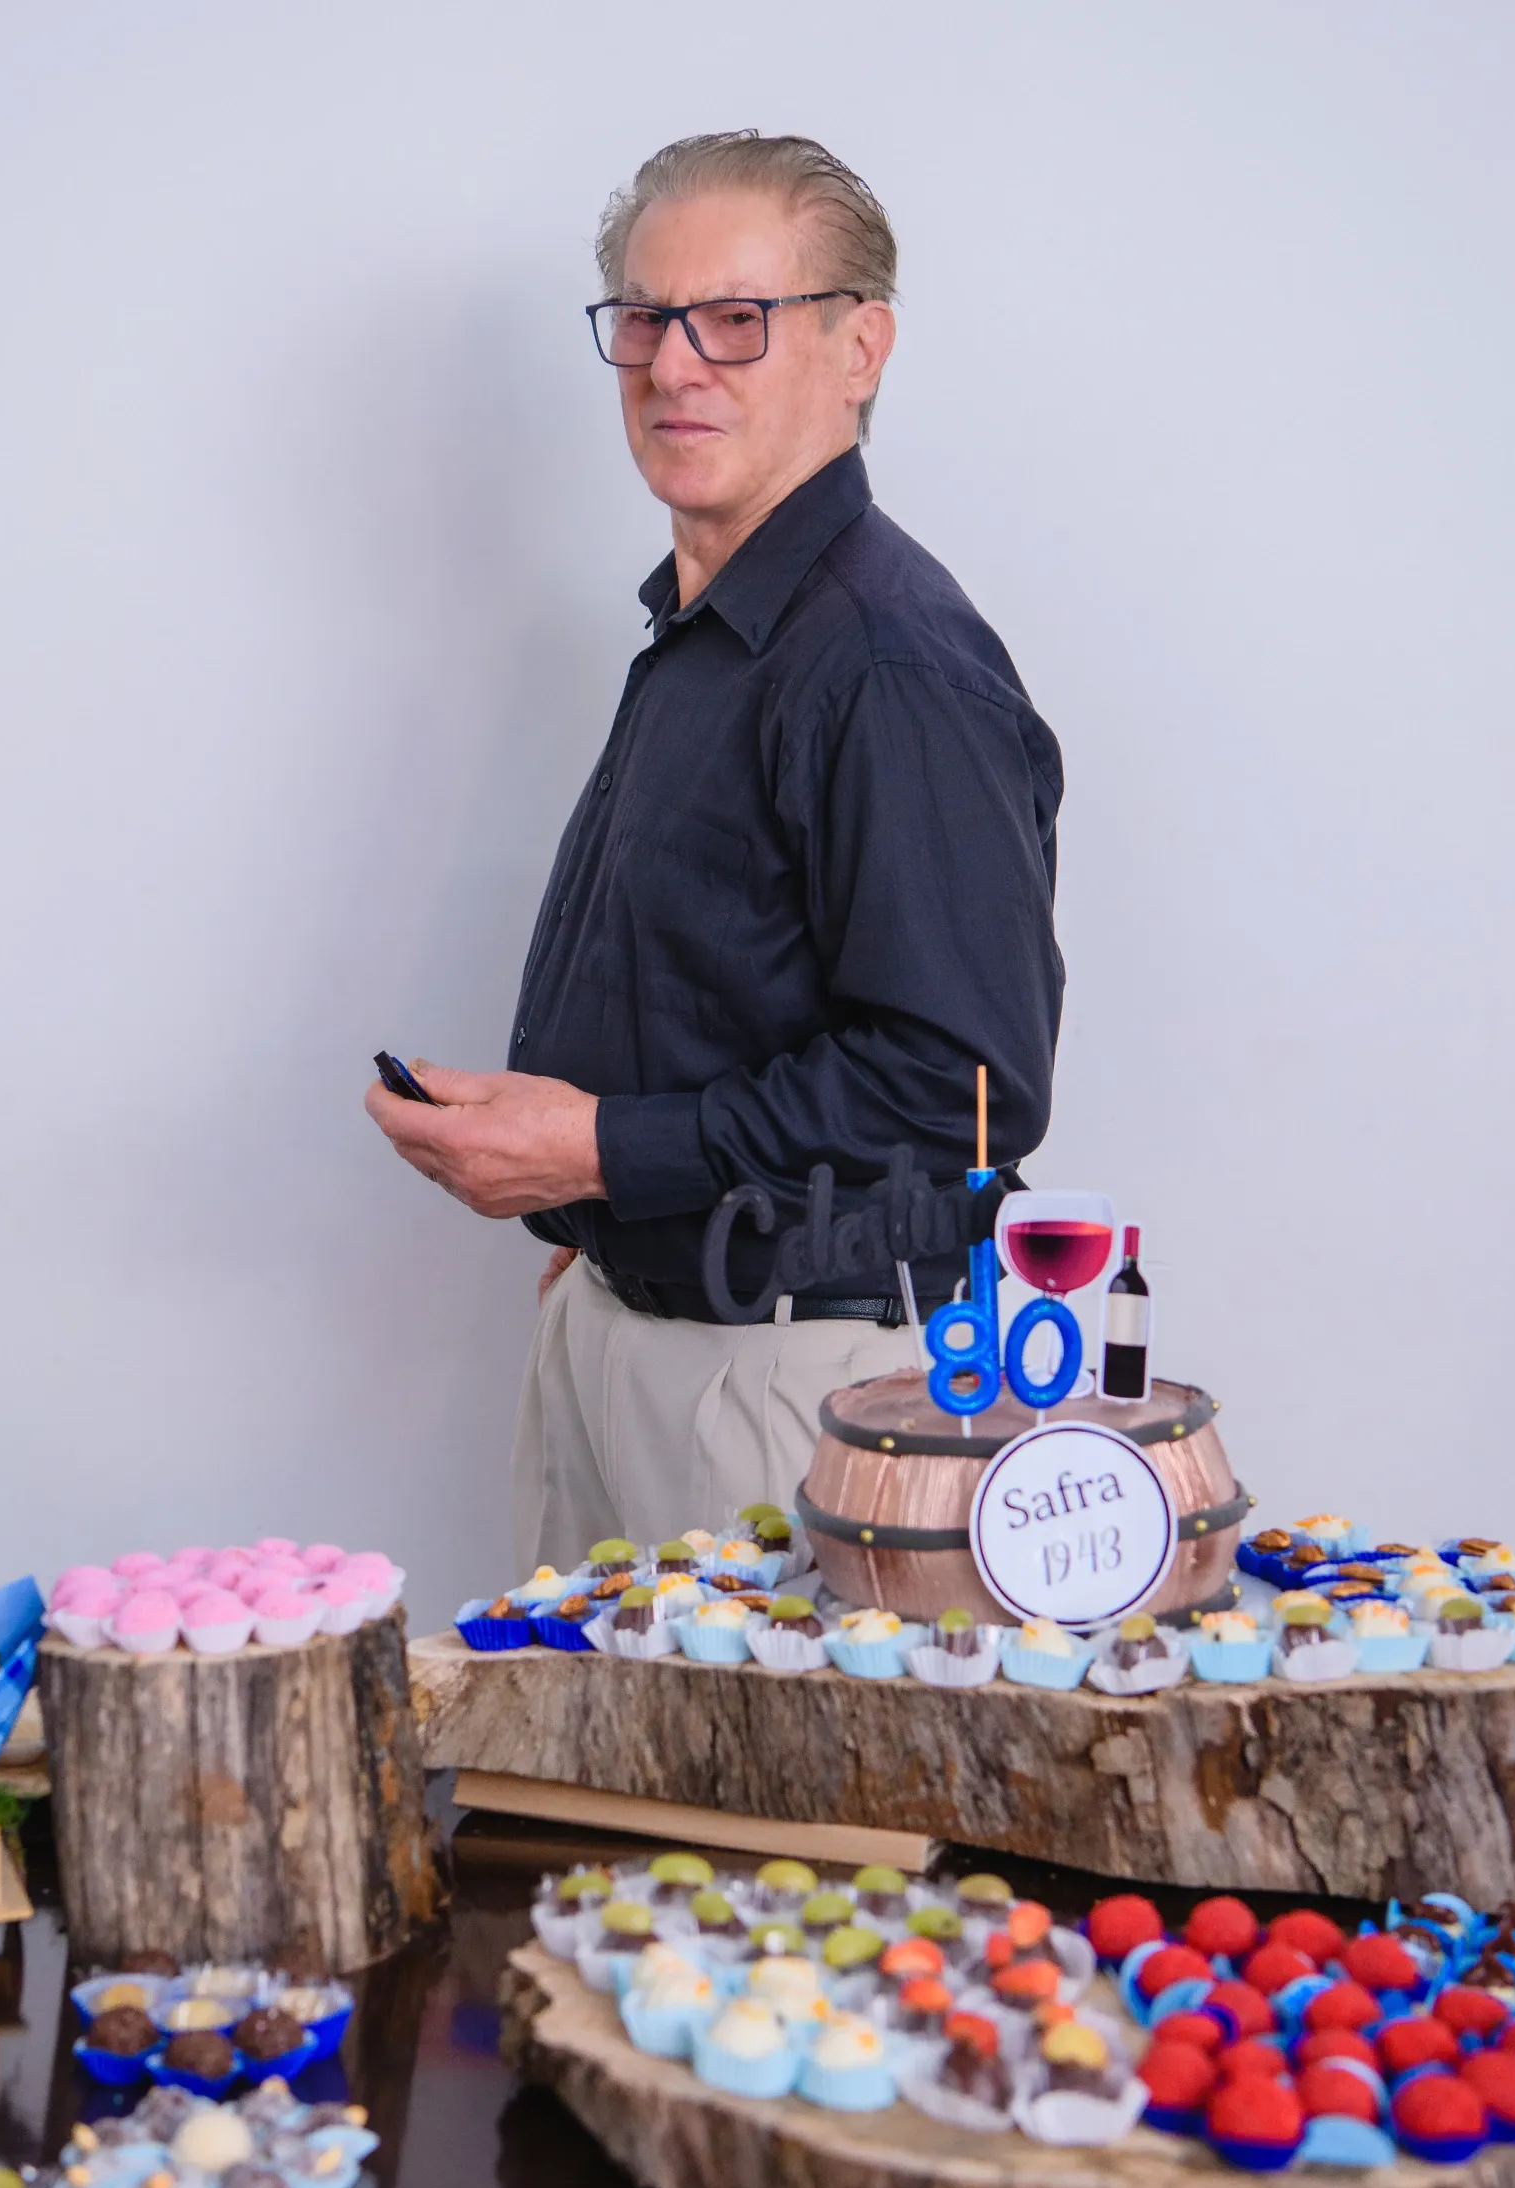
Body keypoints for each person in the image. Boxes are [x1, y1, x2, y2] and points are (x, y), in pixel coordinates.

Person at [367, 131, 1064, 1573]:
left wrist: (607, 1148)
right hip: (623, 1330)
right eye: (645, 318)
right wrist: (588, 1193)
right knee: (572, 1799)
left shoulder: (886, 663)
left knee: (779, 1810)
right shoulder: (711, 625)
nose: (677, 364)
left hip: (789, 1383)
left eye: (739, 319)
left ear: (859, 346)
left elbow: (970, 1087)